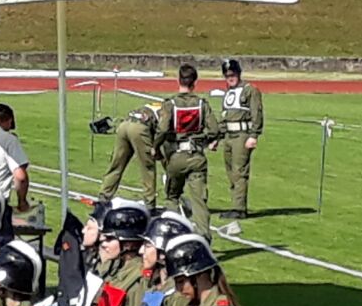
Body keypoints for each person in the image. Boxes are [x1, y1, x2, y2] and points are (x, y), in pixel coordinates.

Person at [163, 64, 220, 230]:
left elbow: (162, 129)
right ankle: (204, 236)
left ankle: (173, 231)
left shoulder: (170, 104)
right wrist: (205, 140)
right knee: (199, 201)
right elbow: (214, 129)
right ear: (195, 82)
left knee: (172, 197)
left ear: (178, 80)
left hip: (176, 155)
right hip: (196, 156)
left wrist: (156, 146)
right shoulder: (202, 104)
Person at [218, 58, 264, 233]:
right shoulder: (228, 92)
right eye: (227, 75)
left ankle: (239, 208)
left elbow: (257, 113)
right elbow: (225, 116)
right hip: (229, 136)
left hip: (242, 135)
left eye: (232, 74)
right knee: (231, 172)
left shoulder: (250, 90)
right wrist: (218, 137)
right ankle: (235, 204)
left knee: (239, 172)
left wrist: (254, 135)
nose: (230, 78)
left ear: (238, 74)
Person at [99, 102, 167, 207]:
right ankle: (149, 203)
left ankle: (103, 196)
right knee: (147, 168)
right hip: (140, 128)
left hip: (124, 125)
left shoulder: (155, 105)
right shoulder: (169, 112)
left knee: (117, 164)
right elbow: (163, 134)